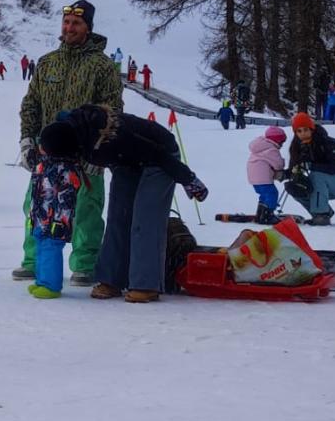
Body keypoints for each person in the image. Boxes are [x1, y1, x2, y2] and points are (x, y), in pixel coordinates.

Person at [38, 106, 208, 303]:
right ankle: (111, 279)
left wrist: (189, 180)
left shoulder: (111, 135)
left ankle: (146, 284)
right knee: (118, 216)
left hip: (160, 158)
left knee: (145, 219)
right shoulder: (74, 134)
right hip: (124, 162)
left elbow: (158, 155)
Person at [15, 0, 123, 284]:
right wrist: (27, 139)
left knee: (87, 208)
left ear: (88, 27)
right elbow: (31, 104)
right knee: (36, 205)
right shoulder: (48, 62)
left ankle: (85, 263)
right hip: (47, 148)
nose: (69, 28)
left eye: (76, 23)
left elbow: (112, 109)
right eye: (66, 23)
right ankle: (34, 259)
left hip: (84, 149)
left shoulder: (103, 66)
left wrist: (100, 149)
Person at [26, 143, 85, 300]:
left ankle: (50, 285)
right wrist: (33, 214)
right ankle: (41, 281)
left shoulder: (65, 169)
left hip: (55, 220)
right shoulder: (43, 165)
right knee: (40, 248)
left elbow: (67, 198)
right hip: (40, 217)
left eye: (44, 143)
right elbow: (36, 191)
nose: (40, 146)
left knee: (50, 249)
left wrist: (60, 220)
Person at [284, 112, 335, 225]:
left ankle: (321, 215)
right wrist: (284, 174)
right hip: (323, 187)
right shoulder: (296, 147)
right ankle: (322, 212)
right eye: (299, 131)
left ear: (312, 129)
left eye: (306, 130)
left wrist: (311, 166)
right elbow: (296, 169)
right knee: (295, 185)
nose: (303, 134)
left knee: (316, 175)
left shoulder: (327, 143)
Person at [246, 125, 288, 223]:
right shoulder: (272, 150)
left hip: (254, 178)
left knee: (264, 195)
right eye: (282, 141)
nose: (282, 144)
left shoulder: (260, 147)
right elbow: (278, 164)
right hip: (263, 178)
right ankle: (268, 215)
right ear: (277, 140)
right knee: (272, 194)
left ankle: (261, 213)